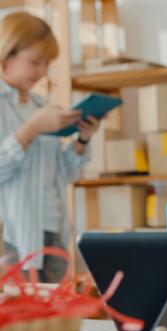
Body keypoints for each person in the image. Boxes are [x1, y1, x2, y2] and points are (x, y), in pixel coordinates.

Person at [0, 12, 100, 282]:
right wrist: (31, 129)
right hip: (12, 236)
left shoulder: (40, 106)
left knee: (54, 317)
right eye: (35, 62)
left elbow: (64, 174)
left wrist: (82, 140)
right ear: (7, 53)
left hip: (52, 230)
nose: (42, 72)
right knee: (17, 318)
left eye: (46, 64)